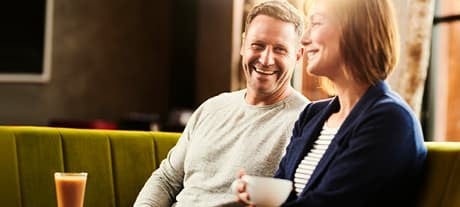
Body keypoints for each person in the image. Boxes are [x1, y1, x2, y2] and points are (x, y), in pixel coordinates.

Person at [235, 0, 427, 206]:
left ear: (357, 29)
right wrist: (256, 196)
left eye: (316, 23)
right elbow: (281, 190)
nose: (305, 39)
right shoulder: (312, 115)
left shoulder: (389, 120)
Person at [134, 1, 309, 206]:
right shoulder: (212, 107)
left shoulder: (306, 122)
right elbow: (166, 179)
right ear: (243, 45)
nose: (266, 59)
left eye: (279, 49)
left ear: (298, 56)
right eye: (258, 45)